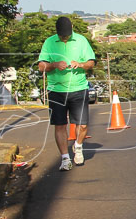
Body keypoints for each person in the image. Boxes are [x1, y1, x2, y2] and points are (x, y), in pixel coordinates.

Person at [38, 16, 96, 171]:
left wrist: (81, 64)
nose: (64, 38)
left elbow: (91, 62)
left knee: (82, 125)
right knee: (60, 125)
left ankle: (78, 146)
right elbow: (41, 66)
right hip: (57, 90)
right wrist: (54, 65)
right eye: (62, 36)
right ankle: (65, 158)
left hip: (78, 88)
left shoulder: (81, 41)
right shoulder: (49, 42)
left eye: (67, 35)